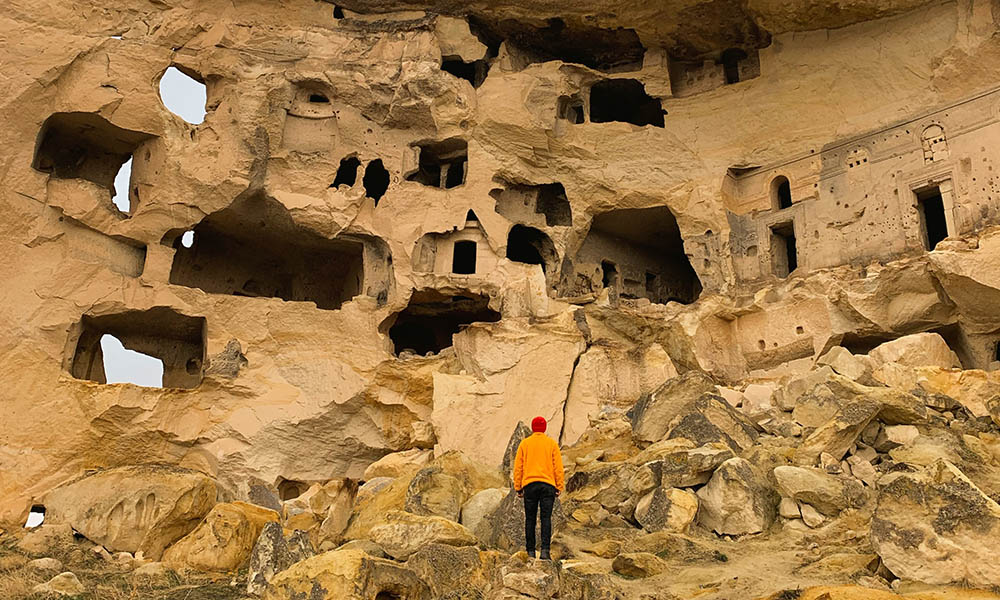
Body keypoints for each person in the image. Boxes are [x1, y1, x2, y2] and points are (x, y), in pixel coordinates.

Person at [513, 416, 565, 560]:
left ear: (533, 427)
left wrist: (518, 487)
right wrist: (559, 485)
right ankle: (545, 552)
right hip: (548, 485)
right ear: (544, 428)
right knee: (545, 518)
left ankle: (530, 552)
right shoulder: (551, 444)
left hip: (530, 485)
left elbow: (518, 468)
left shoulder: (525, 444)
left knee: (530, 519)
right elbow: (558, 468)